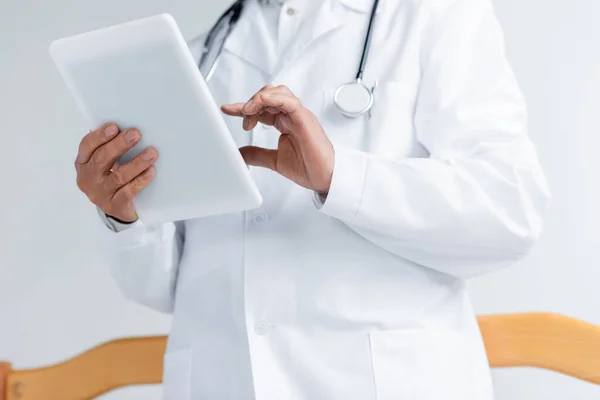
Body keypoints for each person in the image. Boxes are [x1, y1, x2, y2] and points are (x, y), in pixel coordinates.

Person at [74, 0, 551, 398]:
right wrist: (124, 215)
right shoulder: (202, 55)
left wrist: (339, 177)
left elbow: (509, 211)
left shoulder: (433, 16)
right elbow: (159, 288)